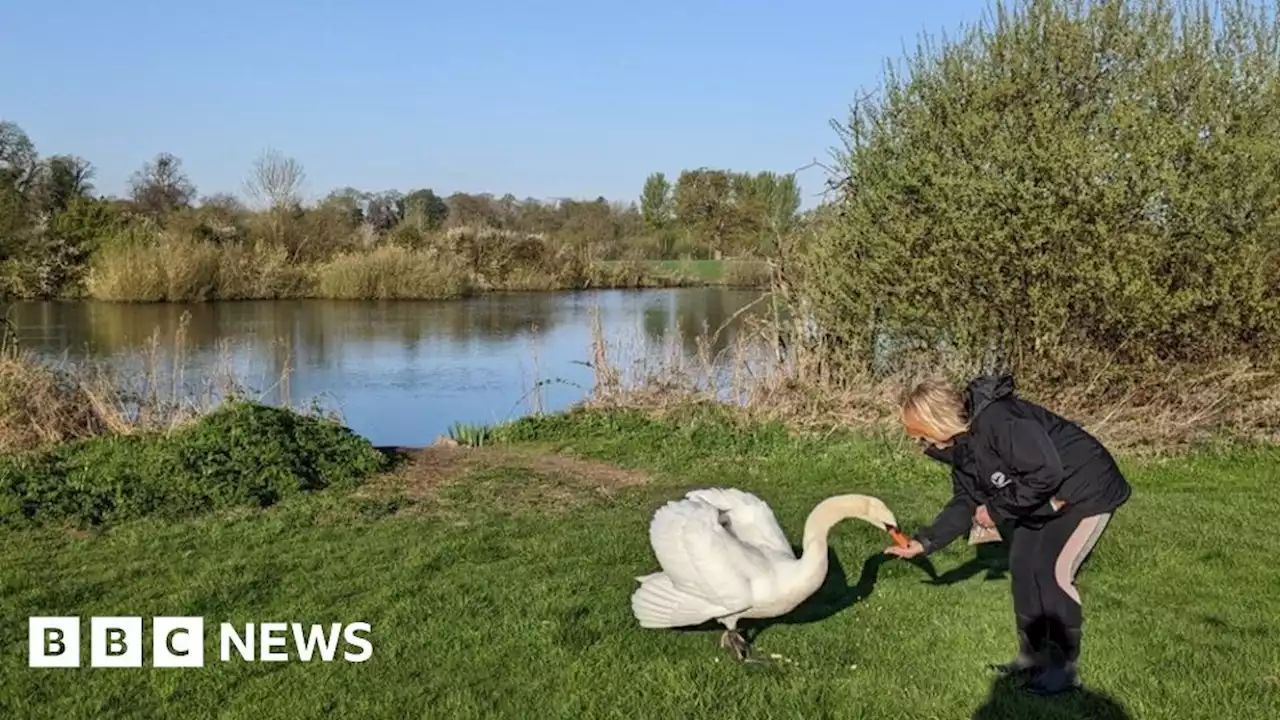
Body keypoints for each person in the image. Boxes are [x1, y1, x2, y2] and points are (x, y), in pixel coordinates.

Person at [883, 374, 1131, 696]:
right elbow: (966, 501)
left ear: (934, 419)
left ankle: (1063, 668)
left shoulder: (998, 420)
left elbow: (1048, 471)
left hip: (1084, 491)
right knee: (1024, 566)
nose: (915, 441)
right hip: (1041, 498)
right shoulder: (960, 446)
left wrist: (997, 511)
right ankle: (1031, 658)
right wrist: (926, 541)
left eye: (917, 433)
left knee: (1053, 573)